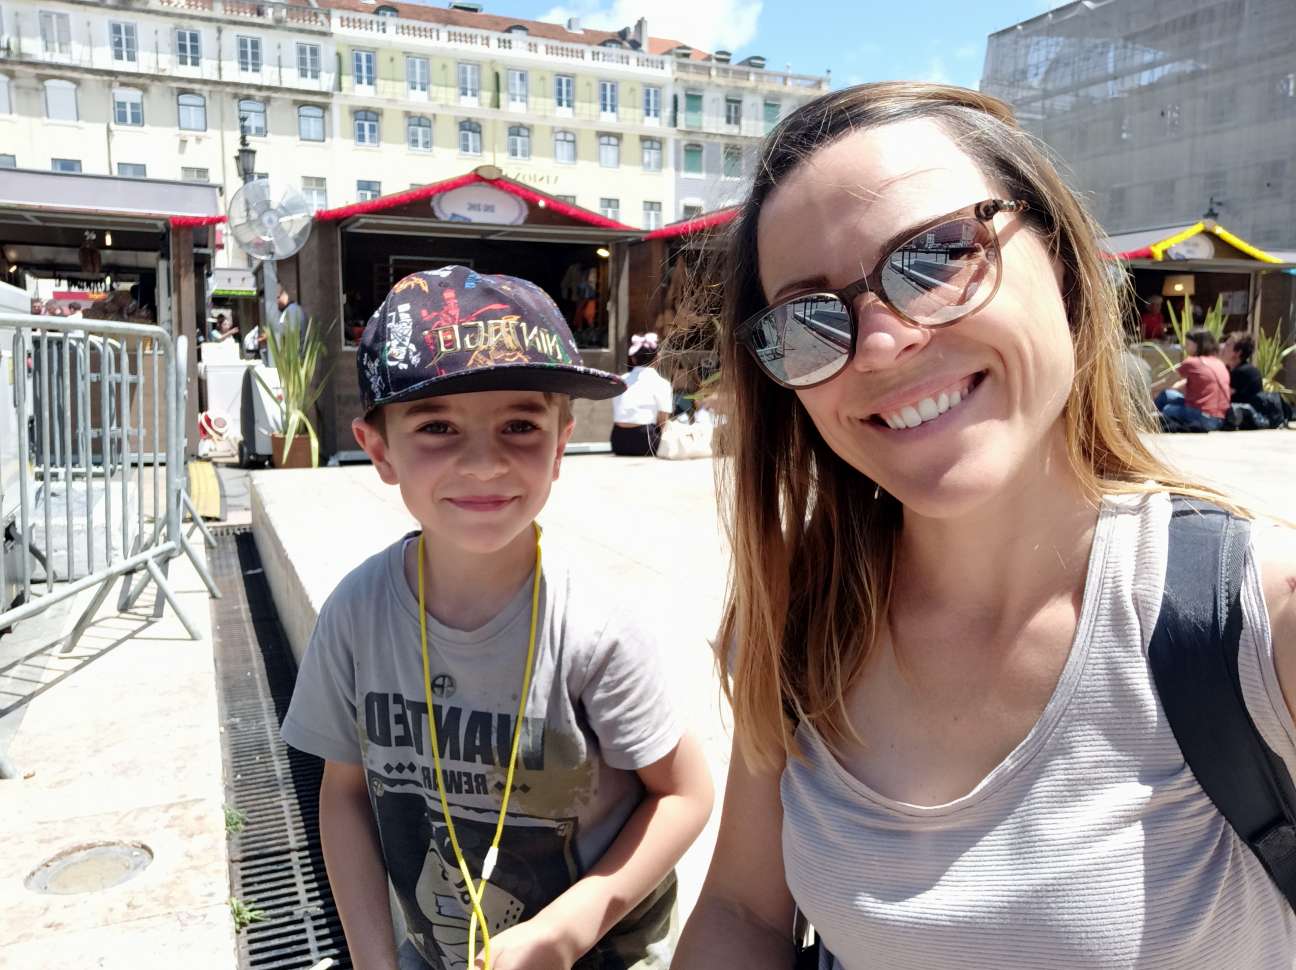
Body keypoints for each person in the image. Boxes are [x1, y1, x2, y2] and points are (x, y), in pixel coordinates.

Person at [671, 82, 1296, 970]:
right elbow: (743, 910)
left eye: (935, 257)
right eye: (809, 320)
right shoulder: (799, 621)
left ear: (1065, 266)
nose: (880, 345)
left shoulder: (1258, 622)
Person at [281, 266, 712, 970]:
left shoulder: (595, 629)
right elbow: (346, 794)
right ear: (380, 450)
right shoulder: (355, 617)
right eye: (437, 426)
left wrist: (570, 926)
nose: (484, 463)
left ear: (560, 444)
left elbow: (685, 794)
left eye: (519, 425)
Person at [1154, 328, 1231, 431]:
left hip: (1202, 418)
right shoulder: (1219, 363)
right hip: (1220, 419)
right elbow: (1180, 385)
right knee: (1168, 395)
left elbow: (1167, 382)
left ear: (1197, 345)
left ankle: (1145, 420)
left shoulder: (1192, 362)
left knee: (1168, 409)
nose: (1184, 347)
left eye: (1187, 344)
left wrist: (1147, 389)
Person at [610, 333, 673, 456]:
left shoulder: (620, 381)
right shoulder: (661, 383)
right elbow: (663, 421)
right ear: (658, 358)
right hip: (646, 442)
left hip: (618, 441)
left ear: (633, 359)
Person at [1223, 332, 1265, 406]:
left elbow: (1221, 397)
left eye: (1227, 345)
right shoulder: (1232, 369)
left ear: (1238, 352)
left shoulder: (1243, 372)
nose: (1223, 347)